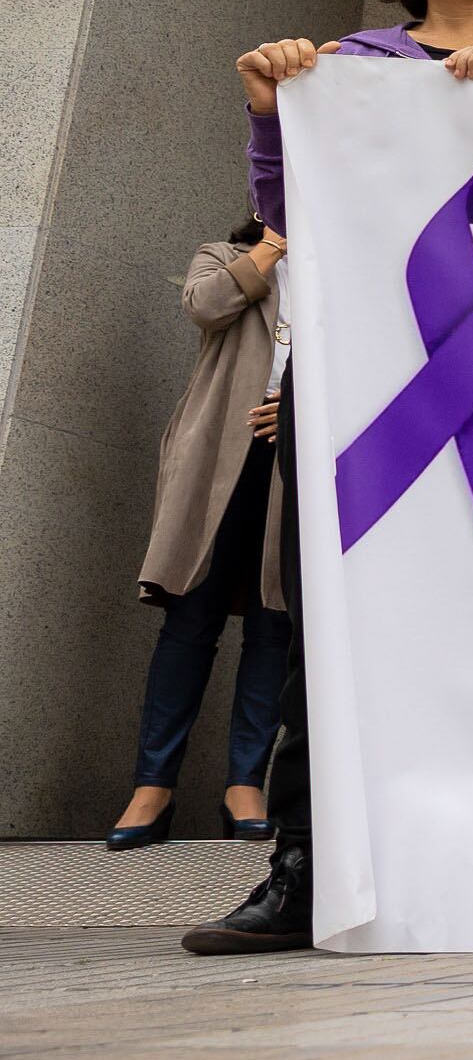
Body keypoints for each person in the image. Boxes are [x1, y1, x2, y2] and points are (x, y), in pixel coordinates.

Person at [193, 0, 473, 957]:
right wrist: (276, 113)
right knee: (336, 630)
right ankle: (301, 872)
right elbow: (293, 216)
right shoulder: (341, 66)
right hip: (360, 398)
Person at [109, 216, 294, 850]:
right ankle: (152, 787)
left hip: (292, 465)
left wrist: (295, 410)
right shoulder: (225, 254)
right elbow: (205, 307)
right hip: (219, 456)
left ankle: (245, 783)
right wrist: (272, 247)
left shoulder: (342, 276)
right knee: (192, 618)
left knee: (275, 622)